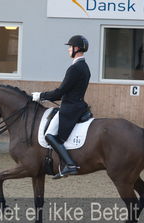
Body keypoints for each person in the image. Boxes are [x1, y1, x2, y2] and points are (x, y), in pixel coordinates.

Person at [32, 35, 90, 179]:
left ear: (76, 49)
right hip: (78, 105)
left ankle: (70, 164)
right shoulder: (85, 67)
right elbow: (66, 92)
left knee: (49, 135)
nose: (69, 50)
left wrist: (41, 96)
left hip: (70, 109)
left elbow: (61, 91)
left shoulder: (75, 68)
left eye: (70, 47)